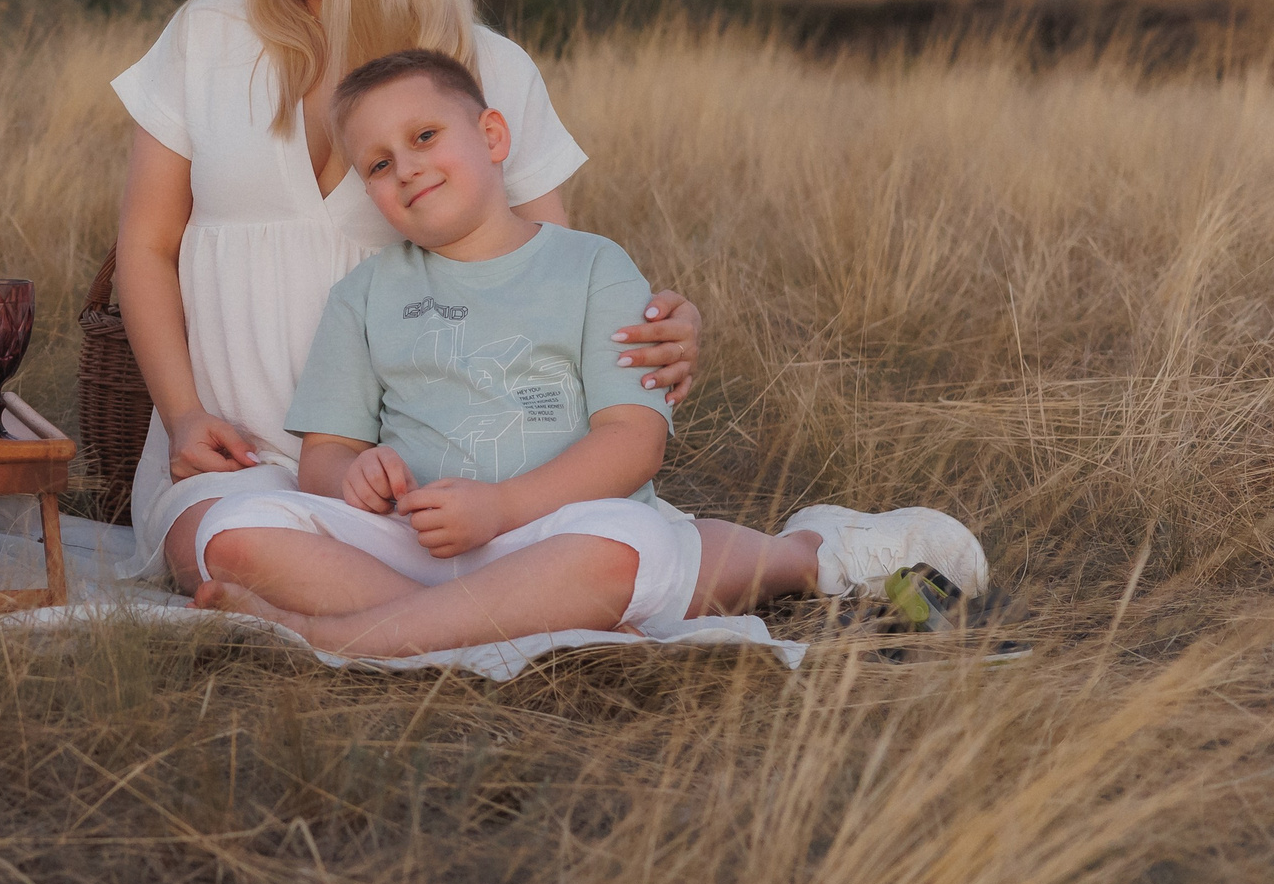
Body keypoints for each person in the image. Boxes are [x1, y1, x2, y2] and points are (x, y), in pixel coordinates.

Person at [113, 0, 888, 613]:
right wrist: (185, 417)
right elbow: (147, 245)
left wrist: (672, 330)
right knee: (219, 543)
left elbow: (550, 275)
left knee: (562, 543)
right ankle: (522, 612)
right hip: (243, 463)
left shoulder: (489, 69)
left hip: (459, 481)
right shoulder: (207, 37)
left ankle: (381, 626)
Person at [188, 49, 986, 655]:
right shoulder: (363, 296)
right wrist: (354, 477)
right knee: (233, 527)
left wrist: (501, 510)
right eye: (379, 163)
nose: (408, 167)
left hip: (556, 537)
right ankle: (475, 630)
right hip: (414, 549)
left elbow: (633, 442)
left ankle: (341, 638)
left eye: (425, 135)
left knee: (632, 546)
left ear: (492, 135)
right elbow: (325, 455)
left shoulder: (591, 264)